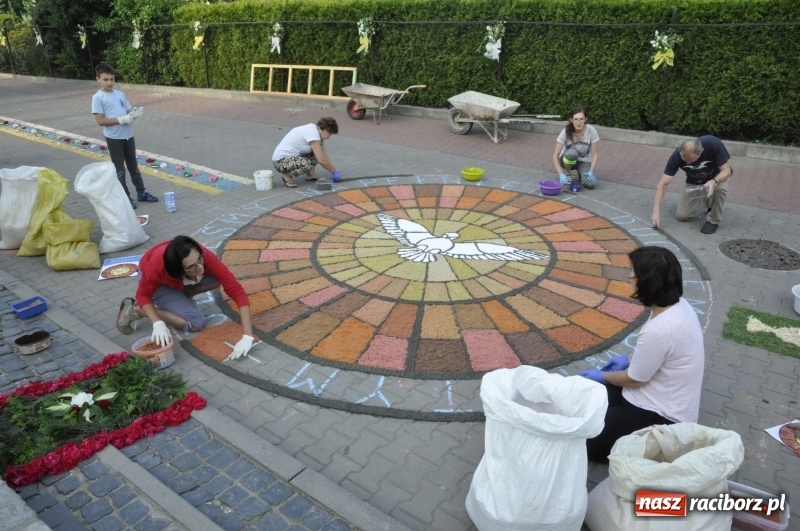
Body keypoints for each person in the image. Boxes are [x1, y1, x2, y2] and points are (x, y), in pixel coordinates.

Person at [579, 246, 704, 463]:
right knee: (587, 401)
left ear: (647, 282)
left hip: (662, 417)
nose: (630, 278)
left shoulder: (660, 328)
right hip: (658, 398)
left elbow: (635, 380)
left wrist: (602, 376)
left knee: (583, 440)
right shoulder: (678, 306)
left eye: (633, 275)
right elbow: (659, 354)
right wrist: (628, 359)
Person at [116, 235, 256, 361]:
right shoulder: (156, 269)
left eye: (200, 259)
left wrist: (248, 336)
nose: (200, 267)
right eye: (191, 267)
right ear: (178, 270)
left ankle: (184, 295)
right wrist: (157, 323)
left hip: (179, 278)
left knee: (217, 278)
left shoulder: (204, 257)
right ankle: (136, 310)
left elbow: (236, 290)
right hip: (162, 283)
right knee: (196, 322)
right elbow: (143, 295)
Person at [92, 63, 157, 210]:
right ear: (98, 79)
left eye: (112, 79)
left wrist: (133, 115)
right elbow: (100, 121)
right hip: (114, 138)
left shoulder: (119, 94)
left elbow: (128, 111)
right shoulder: (98, 98)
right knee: (120, 170)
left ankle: (141, 193)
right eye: (105, 79)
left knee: (134, 167)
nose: (109, 83)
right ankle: (125, 198)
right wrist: (121, 120)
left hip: (128, 135)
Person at [651, 135, 732, 234]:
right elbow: (663, 183)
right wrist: (656, 211)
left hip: (717, 177)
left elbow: (727, 171)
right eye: (685, 160)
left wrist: (713, 181)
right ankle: (708, 200)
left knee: (720, 189)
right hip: (695, 181)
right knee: (682, 216)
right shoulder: (677, 155)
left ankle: (713, 221)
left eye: (691, 160)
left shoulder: (713, 144)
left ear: (701, 151)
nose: (688, 163)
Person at [272, 117, 341, 188]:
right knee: (307, 164)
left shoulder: (316, 132)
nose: (328, 138)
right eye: (330, 134)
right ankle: (286, 175)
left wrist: (335, 169)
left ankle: (310, 175)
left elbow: (324, 154)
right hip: (280, 161)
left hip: (291, 158)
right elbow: (321, 160)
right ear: (325, 130)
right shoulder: (313, 134)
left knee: (316, 152)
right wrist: (333, 171)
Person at [552, 106, 599, 189]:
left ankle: (581, 174)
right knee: (571, 153)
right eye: (576, 119)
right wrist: (560, 174)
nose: (578, 122)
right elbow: (555, 155)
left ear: (585, 119)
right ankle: (568, 173)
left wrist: (591, 171)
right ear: (571, 120)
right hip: (567, 160)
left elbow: (595, 155)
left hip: (584, 161)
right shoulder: (566, 131)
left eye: (581, 119)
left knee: (591, 184)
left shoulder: (592, 131)